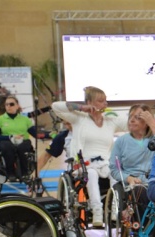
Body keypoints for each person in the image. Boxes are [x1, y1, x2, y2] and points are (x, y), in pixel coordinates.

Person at [52, 86, 127, 227]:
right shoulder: (79, 118)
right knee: (91, 174)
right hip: (84, 163)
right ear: (89, 102)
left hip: (105, 163)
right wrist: (81, 107)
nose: (105, 104)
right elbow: (55, 106)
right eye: (100, 101)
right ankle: (97, 211)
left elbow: (132, 124)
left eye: (105, 101)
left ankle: (115, 210)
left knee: (116, 174)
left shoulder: (110, 120)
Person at [109, 104, 155, 219]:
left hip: (153, 180)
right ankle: (144, 230)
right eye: (130, 117)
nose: (131, 120)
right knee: (139, 191)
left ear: (146, 121)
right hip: (132, 184)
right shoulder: (121, 141)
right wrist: (129, 178)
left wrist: (152, 123)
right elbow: (114, 168)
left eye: (137, 117)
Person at [0, 96, 37, 181]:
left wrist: (50, 135)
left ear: (17, 106)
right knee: (8, 148)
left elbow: (35, 134)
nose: (8, 106)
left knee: (23, 148)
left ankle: (25, 173)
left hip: (23, 140)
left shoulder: (25, 119)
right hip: (6, 140)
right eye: (6, 104)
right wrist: (11, 137)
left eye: (11, 104)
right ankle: (10, 173)